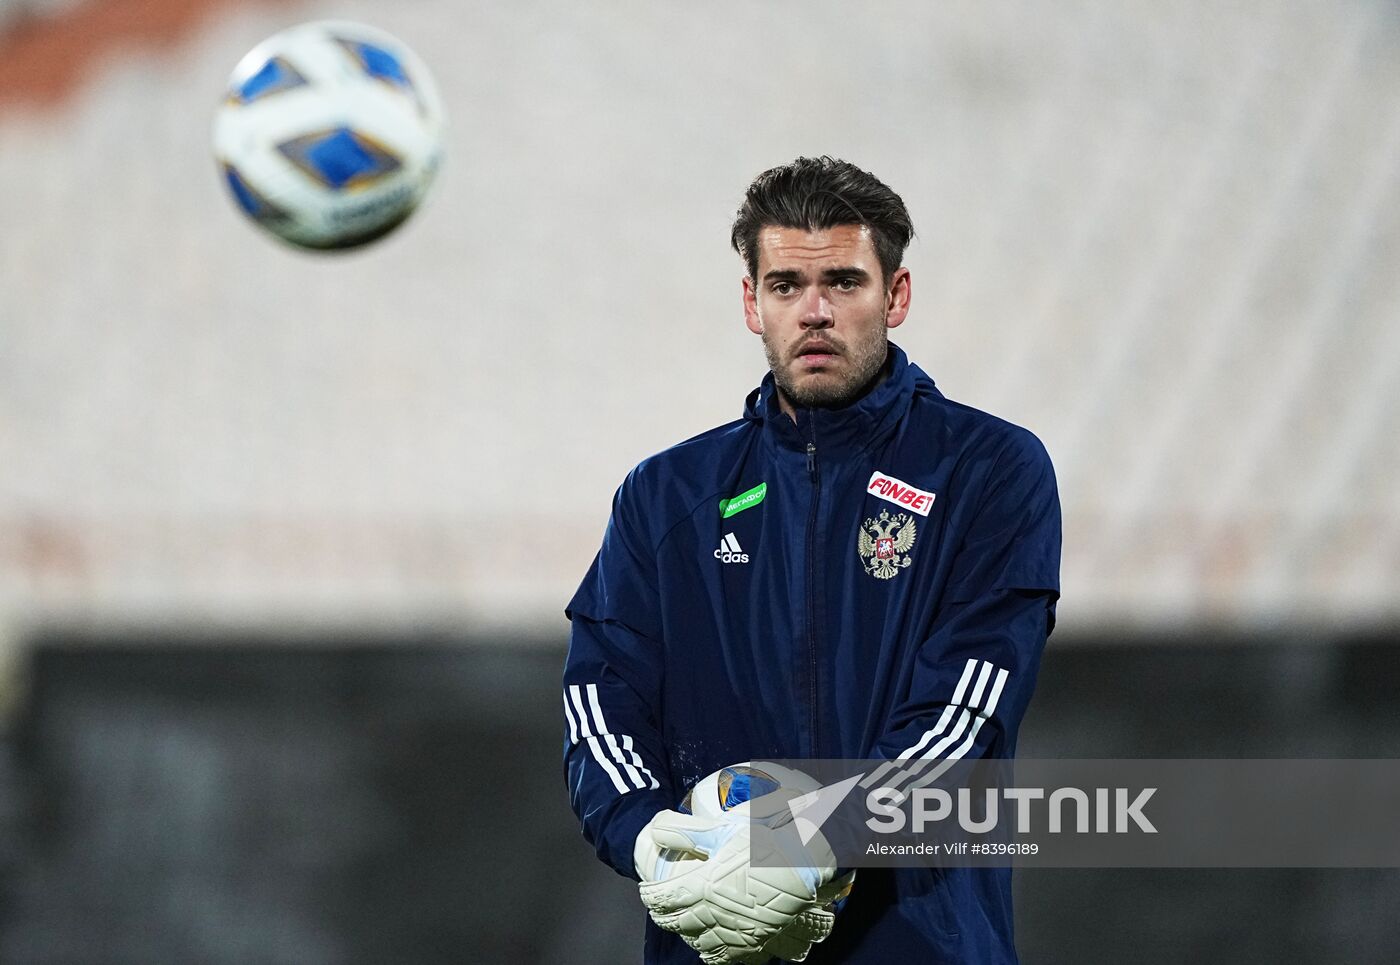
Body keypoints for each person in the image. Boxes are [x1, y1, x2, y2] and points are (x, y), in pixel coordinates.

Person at [562, 156, 1061, 964]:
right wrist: (653, 840)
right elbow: (599, 696)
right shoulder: (665, 498)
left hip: (918, 946)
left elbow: (967, 707)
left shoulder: (987, 469)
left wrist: (821, 838)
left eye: (844, 281)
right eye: (788, 285)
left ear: (895, 296)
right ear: (752, 303)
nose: (816, 312)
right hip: (717, 943)